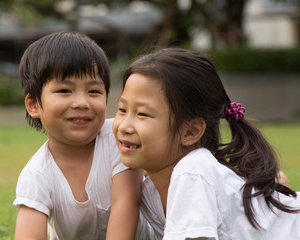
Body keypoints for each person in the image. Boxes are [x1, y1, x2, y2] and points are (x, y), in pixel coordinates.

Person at [112, 48, 300, 239]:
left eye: (142, 114)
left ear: (190, 132)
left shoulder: (192, 171)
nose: (124, 126)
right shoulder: (150, 188)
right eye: (122, 109)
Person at [13, 31, 152, 240]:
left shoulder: (118, 138)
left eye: (94, 92)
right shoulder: (36, 175)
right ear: (34, 105)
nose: (81, 102)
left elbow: (126, 202)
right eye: (65, 91)